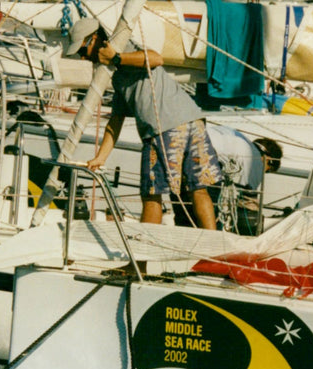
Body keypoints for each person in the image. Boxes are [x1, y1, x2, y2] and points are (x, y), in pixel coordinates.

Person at [68, 17, 222, 229]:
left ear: (94, 39)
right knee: (198, 188)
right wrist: (101, 157)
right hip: (192, 120)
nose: (83, 57)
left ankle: (141, 261)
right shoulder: (119, 77)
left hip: (165, 128)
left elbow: (156, 58)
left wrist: (117, 57)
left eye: (82, 50)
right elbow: (116, 119)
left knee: (152, 195)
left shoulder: (125, 49)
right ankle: (212, 250)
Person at [171, 126, 283, 229]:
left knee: (183, 210)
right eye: (267, 170)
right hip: (203, 152)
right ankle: (211, 241)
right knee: (213, 211)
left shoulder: (239, 140)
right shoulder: (256, 159)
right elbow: (248, 202)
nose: (263, 173)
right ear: (268, 160)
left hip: (179, 144)